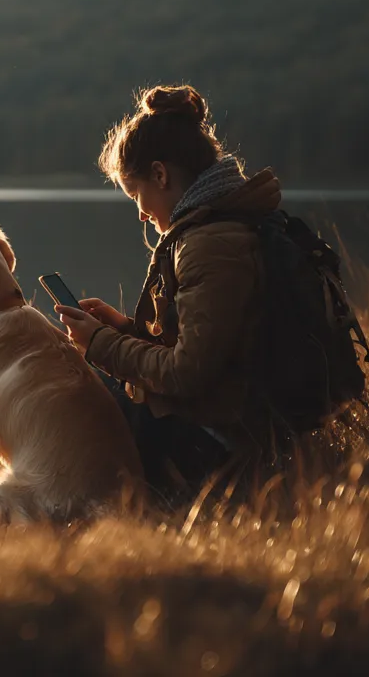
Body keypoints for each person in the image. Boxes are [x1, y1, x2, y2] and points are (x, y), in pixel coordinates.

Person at [55, 85, 284, 501]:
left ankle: (73, 503)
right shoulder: (223, 224)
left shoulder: (210, 244)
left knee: (77, 386)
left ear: (160, 175)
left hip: (221, 445)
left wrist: (102, 344)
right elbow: (214, 350)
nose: (141, 213)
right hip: (231, 422)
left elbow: (187, 373)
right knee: (94, 379)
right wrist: (123, 329)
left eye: (137, 195)